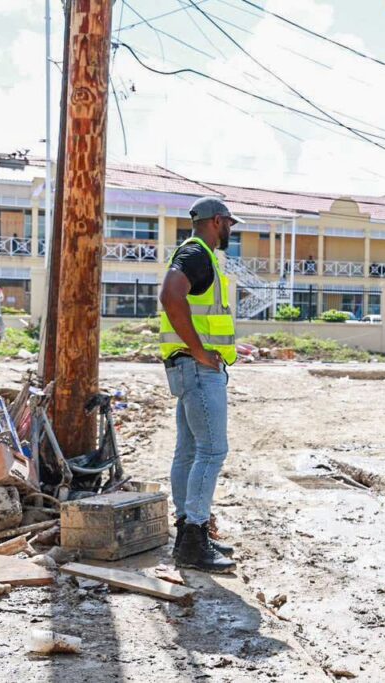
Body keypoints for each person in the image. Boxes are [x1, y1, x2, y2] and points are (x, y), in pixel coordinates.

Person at [158, 196, 242, 573]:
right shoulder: (197, 254)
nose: (230, 230)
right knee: (211, 451)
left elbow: (199, 311)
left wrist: (221, 347)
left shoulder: (198, 255)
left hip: (190, 365)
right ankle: (194, 536)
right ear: (216, 221)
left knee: (189, 452)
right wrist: (199, 350)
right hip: (197, 368)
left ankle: (187, 537)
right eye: (229, 223)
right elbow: (170, 297)